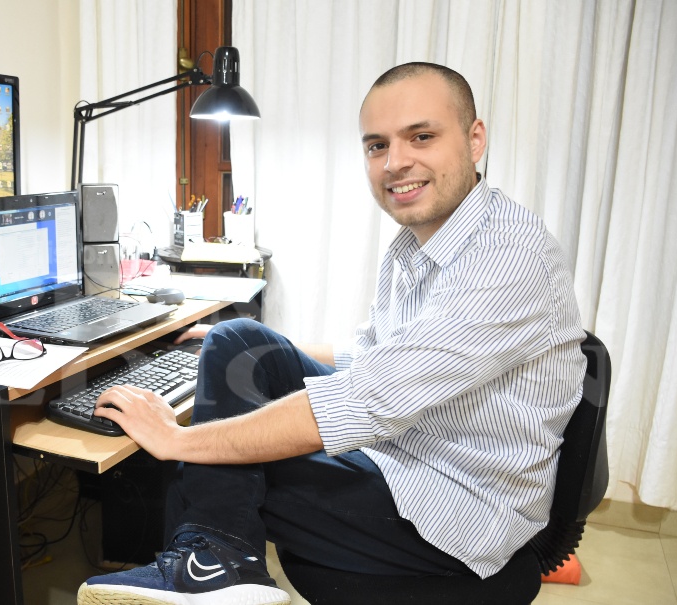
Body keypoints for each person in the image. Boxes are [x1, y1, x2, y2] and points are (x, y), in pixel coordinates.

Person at [76, 62, 587, 605]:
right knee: (236, 342)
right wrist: (258, 351)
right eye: (376, 145)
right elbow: (372, 357)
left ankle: (210, 566)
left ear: (474, 138)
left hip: (459, 508)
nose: (396, 163)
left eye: (422, 136)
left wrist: (176, 438)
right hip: (407, 452)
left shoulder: (510, 256)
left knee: (214, 463)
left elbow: (366, 402)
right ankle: (220, 562)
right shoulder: (418, 245)